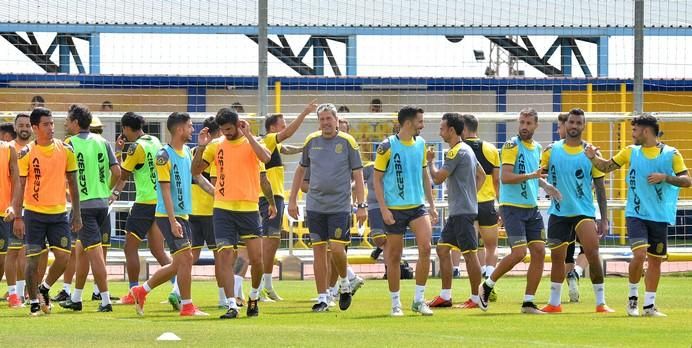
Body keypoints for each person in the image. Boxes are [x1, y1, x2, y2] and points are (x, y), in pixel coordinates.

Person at [586, 113, 691, 317]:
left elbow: (687, 180)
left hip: (659, 216)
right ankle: (633, 299)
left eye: (634, 130)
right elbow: (606, 167)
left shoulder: (671, 154)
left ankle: (649, 306)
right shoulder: (630, 152)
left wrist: (665, 177)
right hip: (636, 214)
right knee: (640, 254)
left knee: (655, 261)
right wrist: (592, 157)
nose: (632, 134)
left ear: (645, 131)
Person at [193, 108, 276, 320]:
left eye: (229, 129)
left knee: (257, 260)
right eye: (222, 130)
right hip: (222, 208)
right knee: (224, 256)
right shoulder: (215, 145)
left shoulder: (252, 141)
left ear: (238, 124)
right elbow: (195, 172)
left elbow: (266, 158)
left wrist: (248, 135)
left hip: (248, 208)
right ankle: (231, 304)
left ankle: (254, 296)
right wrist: (201, 148)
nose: (226, 133)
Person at [130, 112, 213, 317]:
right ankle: (187, 306)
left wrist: (217, 193)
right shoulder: (163, 155)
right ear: (179, 129)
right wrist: (172, 220)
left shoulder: (187, 151)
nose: (193, 130)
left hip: (183, 215)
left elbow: (197, 176)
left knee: (178, 263)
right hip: (169, 216)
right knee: (186, 258)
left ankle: (141, 291)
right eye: (190, 126)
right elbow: (165, 190)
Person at [478, 108, 560, 314]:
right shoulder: (511, 145)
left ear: (536, 125)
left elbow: (533, 174)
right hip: (512, 207)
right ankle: (487, 285)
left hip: (531, 208)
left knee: (540, 252)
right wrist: (532, 177)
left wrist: (546, 186)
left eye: (528, 123)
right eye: (522, 122)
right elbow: (505, 177)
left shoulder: (538, 148)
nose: (524, 126)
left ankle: (528, 302)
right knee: (519, 253)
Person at [288, 103, 366, 312]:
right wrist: (293, 200)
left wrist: (361, 205)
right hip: (315, 206)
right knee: (318, 251)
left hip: (340, 206)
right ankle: (322, 297)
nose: (325, 123)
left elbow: (358, 175)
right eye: (321, 119)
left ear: (336, 120)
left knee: (338, 250)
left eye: (328, 119)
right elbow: (300, 171)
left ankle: (344, 283)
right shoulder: (311, 141)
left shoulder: (348, 142)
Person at [540, 108, 613, 313]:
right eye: (571, 122)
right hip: (559, 212)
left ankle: (601, 302)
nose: (574, 126)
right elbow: (537, 175)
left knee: (592, 252)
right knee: (557, 257)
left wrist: (604, 219)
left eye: (578, 123)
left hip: (584, 212)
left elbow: (599, 186)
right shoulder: (551, 150)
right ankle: (554, 303)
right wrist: (546, 186)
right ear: (566, 125)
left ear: (584, 126)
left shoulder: (591, 153)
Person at [15, 107, 83, 316]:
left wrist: (77, 213)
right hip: (34, 214)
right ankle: (34, 300)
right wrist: (18, 216)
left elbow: (72, 182)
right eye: (46, 124)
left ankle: (44, 288)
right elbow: (20, 186)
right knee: (33, 260)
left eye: (52, 123)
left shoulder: (66, 150)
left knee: (64, 257)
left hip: (59, 214)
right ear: (35, 128)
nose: (51, 128)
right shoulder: (26, 153)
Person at [373, 105, 438, 317]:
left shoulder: (421, 144)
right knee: (393, 256)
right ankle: (395, 303)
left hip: (417, 207)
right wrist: (383, 209)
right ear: (409, 123)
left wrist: (432, 205)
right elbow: (376, 179)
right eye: (420, 121)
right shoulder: (387, 146)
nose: (423, 125)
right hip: (394, 209)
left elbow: (425, 176)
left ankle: (419, 300)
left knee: (426, 248)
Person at [56, 104, 120, 312]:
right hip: (102, 205)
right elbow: (117, 172)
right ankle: (76, 298)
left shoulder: (69, 144)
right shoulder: (102, 141)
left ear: (75, 122)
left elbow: (64, 175)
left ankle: (105, 300)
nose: (66, 123)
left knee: (95, 254)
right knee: (82, 251)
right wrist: (106, 191)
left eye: (68, 119)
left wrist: (69, 195)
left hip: (84, 208)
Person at [111, 112, 179, 307]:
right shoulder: (155, 141)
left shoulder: (135, 147)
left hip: (143, 204)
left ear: (125, 129)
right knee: (158, 250)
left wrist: (118, 152)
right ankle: (178, 290)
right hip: (159, 202)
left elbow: (123, 174)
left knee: (129, 248)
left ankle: (133, 291)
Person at [426, 113, 487, 310]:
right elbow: (482, 176)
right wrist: (470, 194)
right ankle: (445, 296)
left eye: (442, 128)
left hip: (462, 212)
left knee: (470, 254)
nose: (440, 132)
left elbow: (437, 178)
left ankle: (477, 298)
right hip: (460, 211)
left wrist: (430, 162)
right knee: (442, 249)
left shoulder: (454, 153)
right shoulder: (467, 149)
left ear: (452, 130)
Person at [258, 101, 315, 302]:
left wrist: (303, 148)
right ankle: (260, 288)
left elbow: (287, 147)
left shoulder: (272, 145)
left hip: (272, 196)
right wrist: (305, 113)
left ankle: (264, 286)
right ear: (273, 128)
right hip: (269, 197)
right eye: (282, 124)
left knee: (270, 243)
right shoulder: (268, 139)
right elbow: (288, 135)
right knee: (268, 242)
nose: (285, 127)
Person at [454, 113, 501, 304]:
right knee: (491, 246)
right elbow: (497, 180)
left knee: (470, 249)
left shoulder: (459, 149)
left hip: (467, 205)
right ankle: (489, 281)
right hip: (487, 203)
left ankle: (471, 287)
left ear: (464, 129)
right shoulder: (490, 148)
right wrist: (501, 204)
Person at [556, 112, 590, 302]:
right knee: (580, 250)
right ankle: (574, 276)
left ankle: (571, 280)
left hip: (575, 208)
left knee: (571, 252)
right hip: (574, 209)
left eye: (559, 126)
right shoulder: (555, 150)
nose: (559, 130)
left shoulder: (583, 150)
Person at [4, 113, 34, 308]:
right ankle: (13, 294)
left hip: (33, 208)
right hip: (13, 209)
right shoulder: (8, 149)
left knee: (27, 253)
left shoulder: (35, 149)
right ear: (15, 128)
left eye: (27, 125)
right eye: (20, 125)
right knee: (12, 252)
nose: (24, 128)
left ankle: (22, 292)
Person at [0, 129, 22, 308]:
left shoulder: (8, 150)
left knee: (2, 259)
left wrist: (13, 206)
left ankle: (13, 295)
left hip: (3, 213)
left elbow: (16, 181)